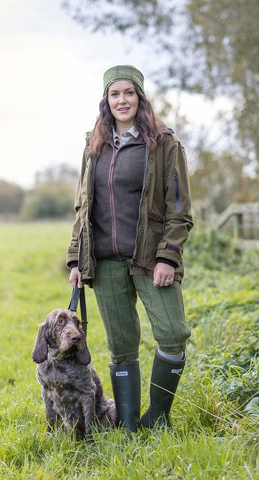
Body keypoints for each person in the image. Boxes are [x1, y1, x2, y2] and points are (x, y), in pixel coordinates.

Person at [67, 65, 193, 432]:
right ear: (106, 101)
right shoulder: (94, 145)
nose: (122, 100)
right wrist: (77, 257)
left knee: (172, 333)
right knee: (122, 345)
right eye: (114, 94)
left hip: (150, 260)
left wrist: (168, 256)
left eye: (129, 93)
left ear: (140, 97)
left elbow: (180, 208)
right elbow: (82, 206)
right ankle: (128, 422)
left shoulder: (164, 143)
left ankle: (158, 416)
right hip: (104, 261)